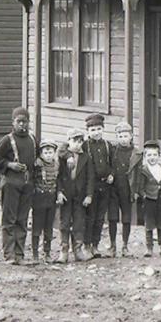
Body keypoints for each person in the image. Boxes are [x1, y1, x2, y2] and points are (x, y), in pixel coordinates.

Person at [0, 107, 36, 264]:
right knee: (9, 220)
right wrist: (10, 165)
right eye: (19, 122)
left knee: (22, 219)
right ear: (13, 122)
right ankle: (9, 255)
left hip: (27, 185)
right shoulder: (7, 140)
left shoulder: (32, 139)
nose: (22, 125)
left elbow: (37, 158)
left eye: (25, 122)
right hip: (11, 183)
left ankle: (20, 254)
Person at [77, 113, 114, 258]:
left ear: (103, 129)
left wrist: (111, 174)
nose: (96, 132)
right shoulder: (84, 146)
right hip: (90, 186)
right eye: (92, 130)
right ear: (88, 132)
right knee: (90, 217)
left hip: (104, 186)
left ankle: (95, 245)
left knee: (100, 217)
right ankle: (86, 245)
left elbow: (112, 163)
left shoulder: (107, 145)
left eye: (99, 129)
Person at [108, 121, 141, 257]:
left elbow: (138, 174)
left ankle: (125, 246)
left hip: (128, 189)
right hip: (113, 189)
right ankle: (112, 245)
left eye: (126, 136)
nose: (123, 139)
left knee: (126, 217)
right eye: (120, 136)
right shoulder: (112, 150)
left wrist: (137, 190)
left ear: (131, 136)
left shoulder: (137, 153)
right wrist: (110, 174)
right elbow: (107, 165)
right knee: (112, 217)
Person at [58, 129, 90, 262]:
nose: (77, 144)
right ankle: (64, 250)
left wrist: (89, 195)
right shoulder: (62, 156)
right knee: (64, 222)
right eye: (74, 141)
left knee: (78, 222)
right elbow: (57, 176)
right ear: (68, 141)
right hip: (65, 195)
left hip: (80, 196)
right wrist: (59, 192)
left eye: (80, 142)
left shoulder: (86, 157)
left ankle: (78, 249)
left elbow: (90, 178)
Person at [131, 140, 161, 256]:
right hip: (149, 200)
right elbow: (141, 186)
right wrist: (144, 195)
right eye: (149, 155)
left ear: (159, 156)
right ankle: (149, 247)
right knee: (149, 224)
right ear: (145, 157)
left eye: (155, 155)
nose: (152, 158)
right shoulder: (144, 170)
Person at [30, 140, 61, 264]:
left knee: (49, 228)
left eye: (51, 152)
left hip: (51, 199)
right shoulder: (37, 165)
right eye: (46, 152)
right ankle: (35, 253)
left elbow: (59, 181)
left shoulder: (56, 165)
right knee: (37, 228)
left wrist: (58, 193)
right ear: (41, 153)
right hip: (39, 199)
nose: (48, 155)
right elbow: (31, 180)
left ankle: (47, 252)